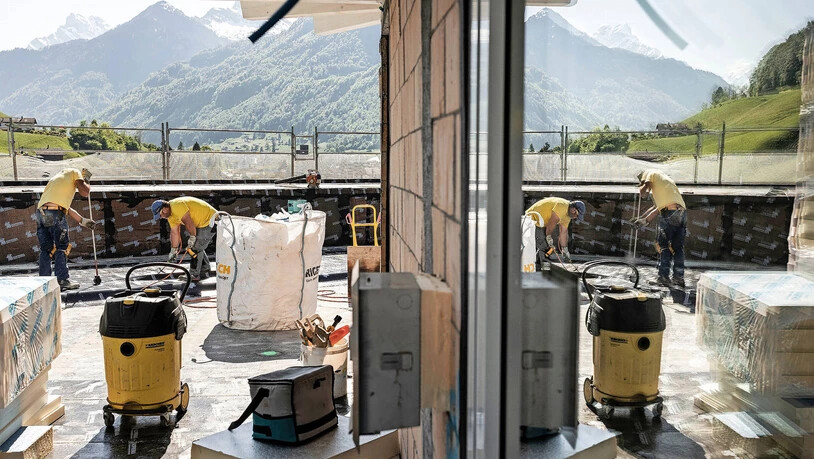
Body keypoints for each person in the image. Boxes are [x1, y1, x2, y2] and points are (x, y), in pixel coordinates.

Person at [35, 168, 97, 291]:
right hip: (54, 212)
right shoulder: (75, 172)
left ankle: (44, 281)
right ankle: (62, 280)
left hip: (41, 213)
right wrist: (85, 180)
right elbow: (85, 192)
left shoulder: (57, 182)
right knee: (62, 247)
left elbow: (65, 208)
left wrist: (82, 220)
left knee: (46, 249)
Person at [632, 170, 687, 287]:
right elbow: (657, 208)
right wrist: (643, 219)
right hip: (682, 214)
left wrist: (641, 188)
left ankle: (663, 277)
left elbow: (644, 193)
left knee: (663, 246)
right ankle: (678, 278)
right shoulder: (665, 182)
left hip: (669, 214)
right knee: (678, 248)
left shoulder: (649, 173)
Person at [152, 197, 218, 282]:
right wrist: (173, 250)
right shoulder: (171, 216)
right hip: (202, 223)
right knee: (196, 247)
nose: (161, 217)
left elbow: (188, 222)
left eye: (160, 214)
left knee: (195, 248)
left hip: (210, 220)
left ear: (164, 208)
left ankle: (194, 274)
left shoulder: (177, 206)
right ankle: (204, 268)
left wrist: (192, 237)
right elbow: (174, 233)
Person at [525, 197, 585, 264]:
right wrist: (548, 237)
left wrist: (565, 250)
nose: (576, 217)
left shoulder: (567, 216)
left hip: (540, 223)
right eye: (577, 215)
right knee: (544, 247)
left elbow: (563, 232)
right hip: (530, 220)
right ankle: (542, 269)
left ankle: (541, 267)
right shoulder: (563, 206)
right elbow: (551, 223)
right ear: (574, 210)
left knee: (546, 249)